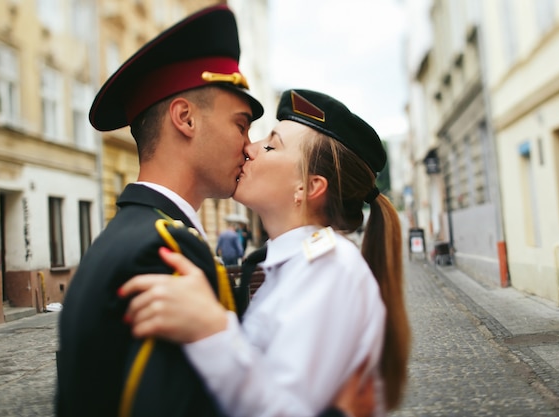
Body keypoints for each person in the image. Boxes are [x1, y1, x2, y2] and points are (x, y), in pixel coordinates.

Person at [120, 89, 411, 416]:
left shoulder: (329, 268)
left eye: (271, 145)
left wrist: (212, 330)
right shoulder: (288, 266)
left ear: (308, 187)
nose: (250, 148)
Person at [56, 6, 264, 417]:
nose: (249, 145)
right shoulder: (164, 250)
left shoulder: (124, 237)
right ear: (185, 118)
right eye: (241, 125)